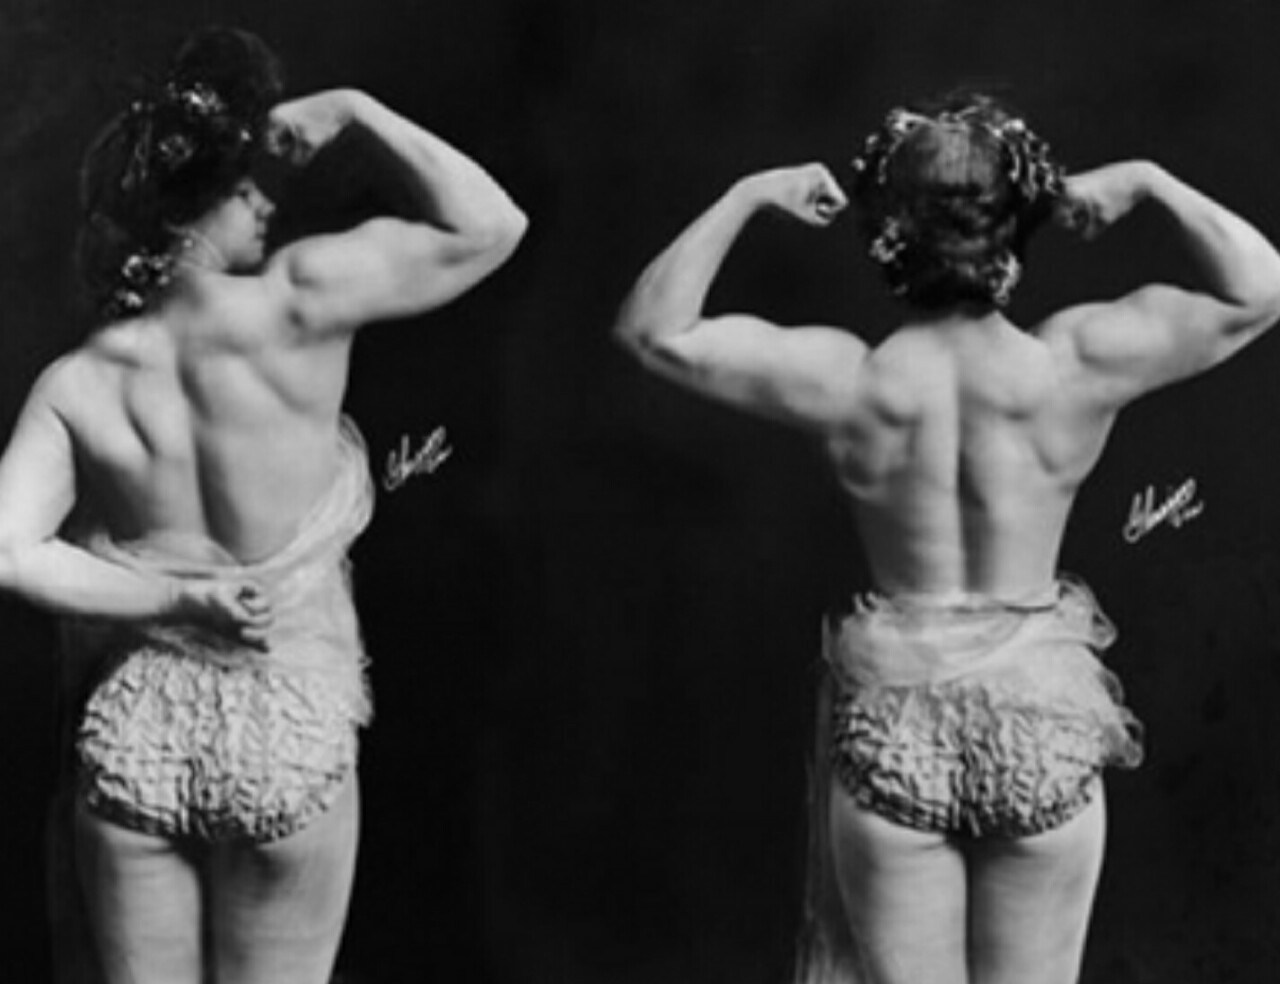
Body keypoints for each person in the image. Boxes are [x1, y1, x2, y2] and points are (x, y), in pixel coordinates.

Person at [613, 93, 1280, 984]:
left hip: (897, 726)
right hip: (1040, 720)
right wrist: (1150, 183)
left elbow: (652, 329)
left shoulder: (851, 380)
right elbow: (1262, 287)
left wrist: (749, 195)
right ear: (1016, 226)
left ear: (891, 234)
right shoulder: (1074, 365)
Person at [0, 26, 526, 984]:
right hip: (285, 724)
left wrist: (175, 599)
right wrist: (357, 111)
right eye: (246, 189)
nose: (265, 206)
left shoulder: (78, 381)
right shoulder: (298, 302)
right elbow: (492, 225)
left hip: (140, 732)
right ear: (200, 204)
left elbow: (7, 551)